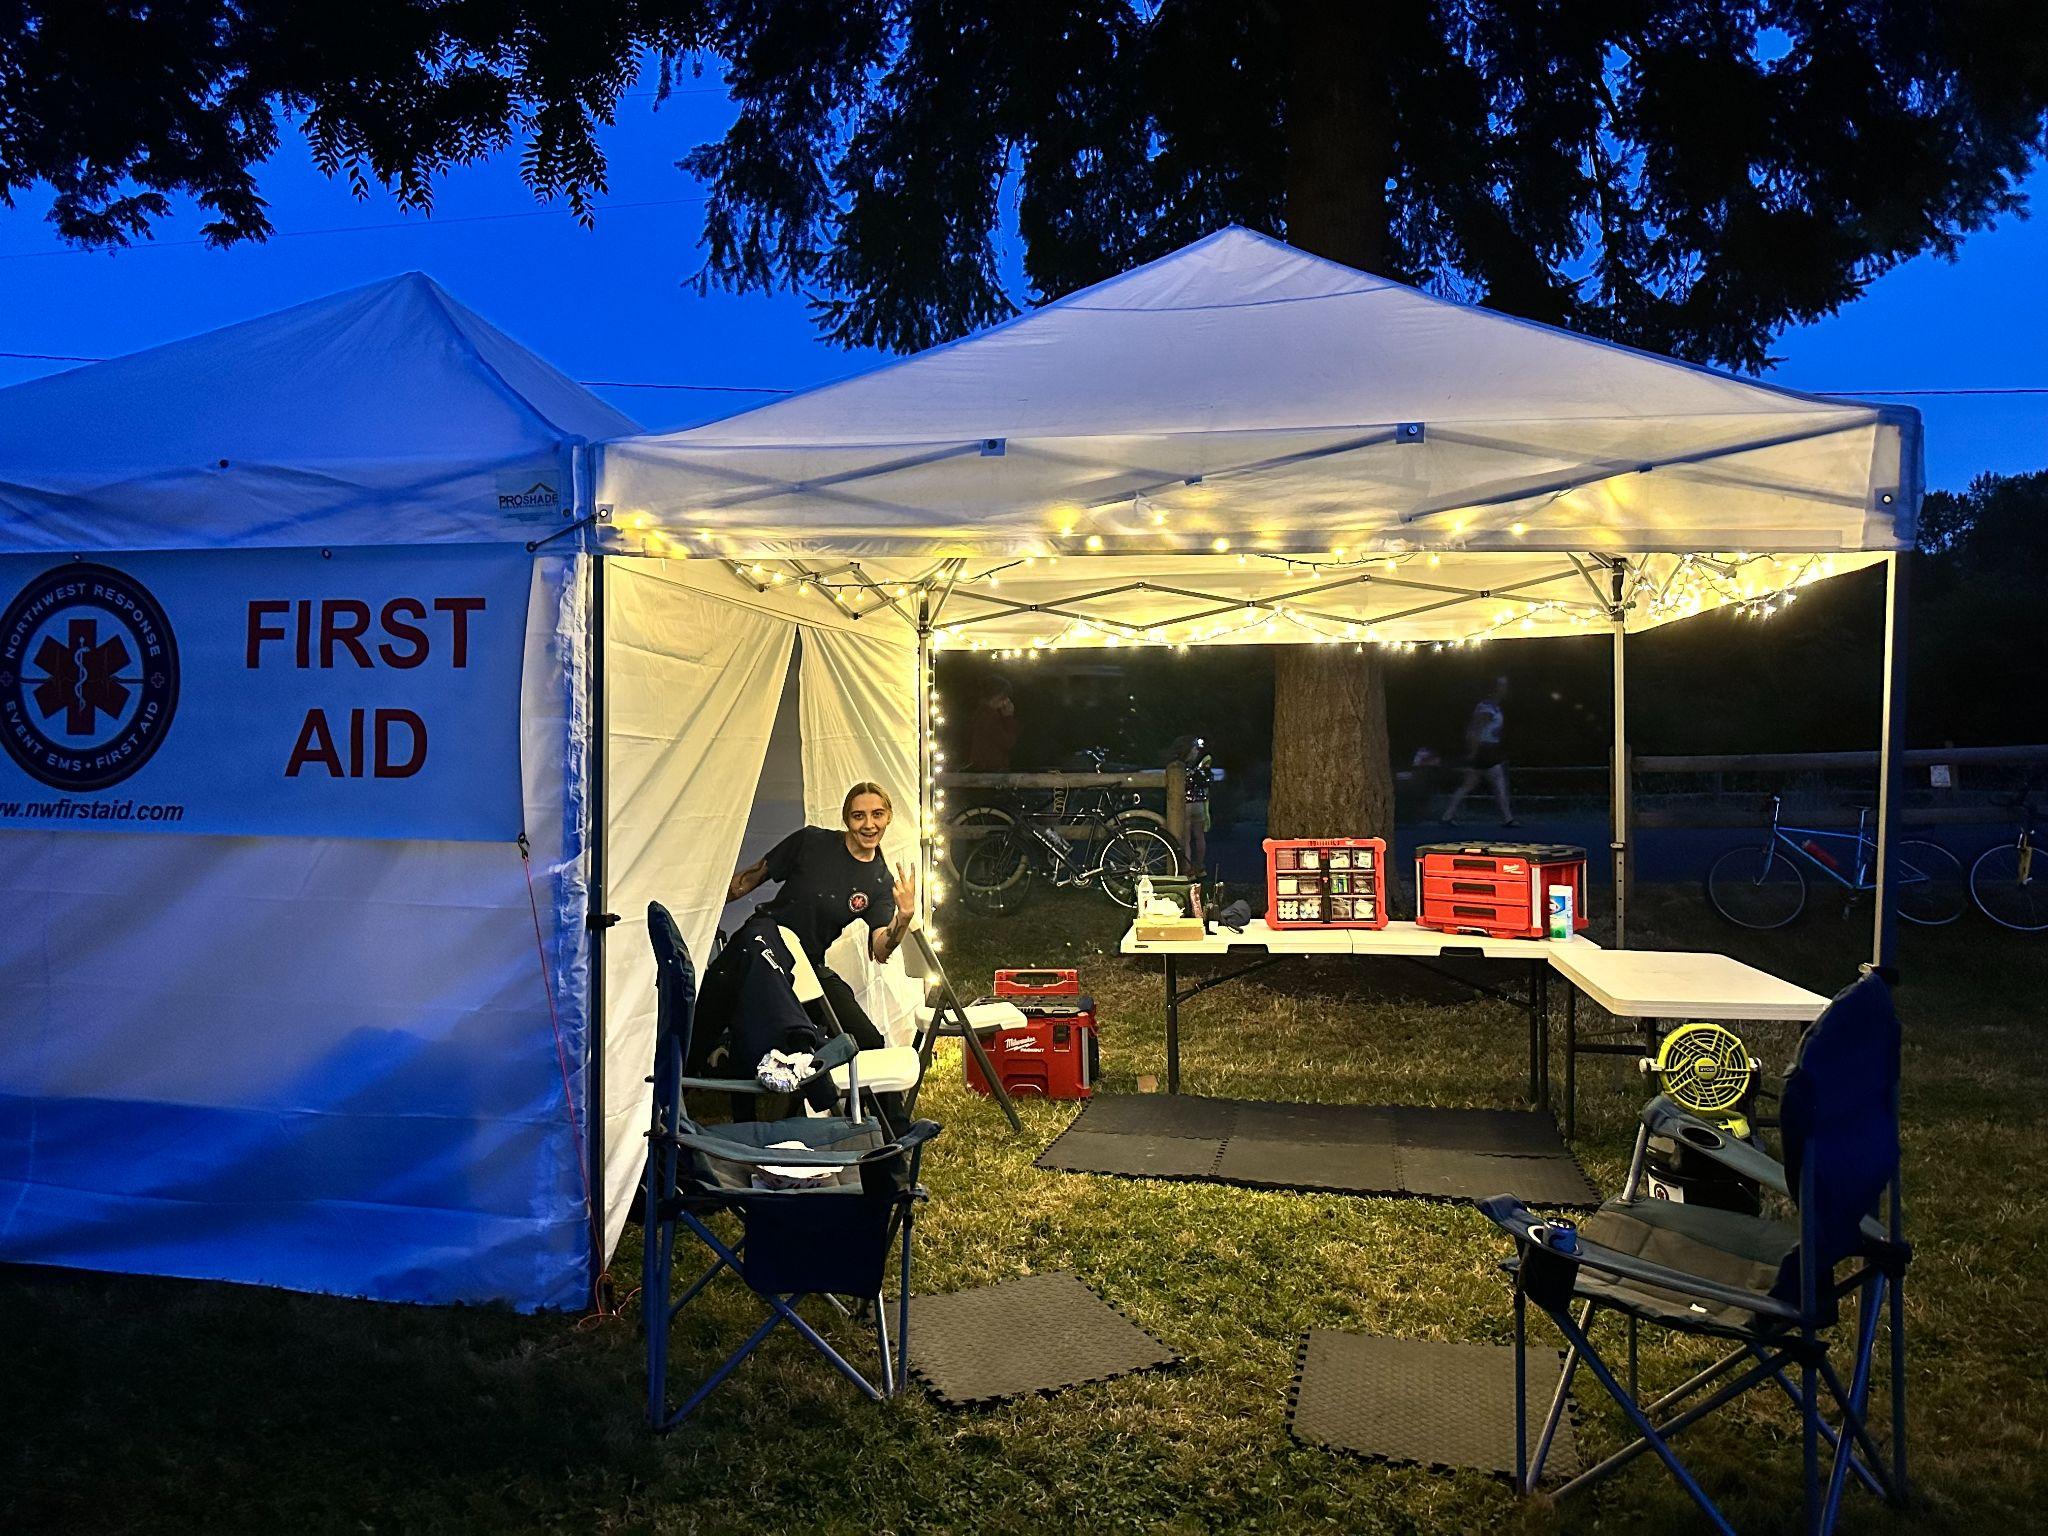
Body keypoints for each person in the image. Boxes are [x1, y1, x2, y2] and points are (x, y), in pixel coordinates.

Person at [696, 781, 917, 1126]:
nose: (868, 824)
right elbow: (748, 881)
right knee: (714, 1018)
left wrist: (902, 920)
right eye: (859, 815)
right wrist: (697, 909)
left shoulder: (878, 881)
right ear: (846, 819)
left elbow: (880, 949)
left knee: (869, 1038)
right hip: (762, 938)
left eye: (877, 814)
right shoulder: (811, 841)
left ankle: (894, 1130)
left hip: (806, 964)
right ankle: (804, 1064)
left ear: (888, 817)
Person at [1440, 676, 1518, 827]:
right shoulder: (1487, 708)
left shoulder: (1493, 707)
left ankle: (1447, 815)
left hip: (1486, 749)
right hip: (1485, 750)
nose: (1505, 689)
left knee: (1470, 783)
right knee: (1498, 781)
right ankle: (1507, 818)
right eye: (1502, 686)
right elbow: (1475, 730)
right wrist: (1473, 752)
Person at [1169, 734, 1216, 873]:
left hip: (1185, 805)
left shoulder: (1179, 768)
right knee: (1200, 836)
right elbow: (1207, 782)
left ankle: (1187, 867)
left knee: (1186, 839)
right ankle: (1200, 865)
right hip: (1199, 804)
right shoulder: (1200, 769)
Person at [964, 676, 1020, 772]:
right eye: (1004, 697)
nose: (1006, 702)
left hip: (983, 768)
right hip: (990, 770)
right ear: (995, 695)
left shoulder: (980, 713)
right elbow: (1007, 742)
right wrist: (1008, 717)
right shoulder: (989, 716)